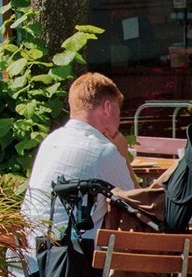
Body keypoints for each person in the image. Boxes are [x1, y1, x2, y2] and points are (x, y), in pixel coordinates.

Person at [21, 72, 136, 261]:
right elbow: (138, 208)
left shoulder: (52, 140)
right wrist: (122, 155)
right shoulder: (103, 150)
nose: (119, 120)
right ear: (107, 108)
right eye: (118, 112)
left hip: (30, 261)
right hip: (70, 269)